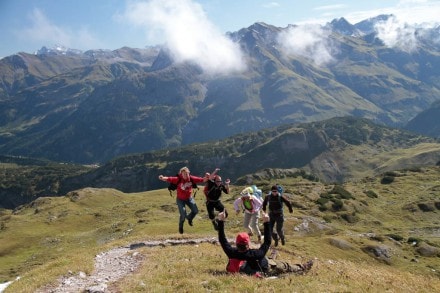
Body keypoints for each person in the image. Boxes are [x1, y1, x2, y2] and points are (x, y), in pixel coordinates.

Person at [217, 211, 313, 277]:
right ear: (248, 244)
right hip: (266, 267)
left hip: (251, 266)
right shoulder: (256, 254)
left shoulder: (231, 252)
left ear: (236, 243)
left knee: (269, 257)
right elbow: (267, 242)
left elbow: (222, 240)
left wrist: (220, 221)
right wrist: (267, 222)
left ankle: (273, 256)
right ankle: (302, 268)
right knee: (284, 265)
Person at [158, 166, 206, 234]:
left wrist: (208, 177)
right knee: (183, 214)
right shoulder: (178, 179)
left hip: (189, 198)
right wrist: (162, 178)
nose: (186, 175)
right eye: (184, 174)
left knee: (195, 211)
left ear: (189, 173)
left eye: (187, 173)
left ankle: (189, 218)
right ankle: (181, 226)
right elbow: (169, 178)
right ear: (181, 174)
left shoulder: (191, 178)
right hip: (180, 199)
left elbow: (202, 180)